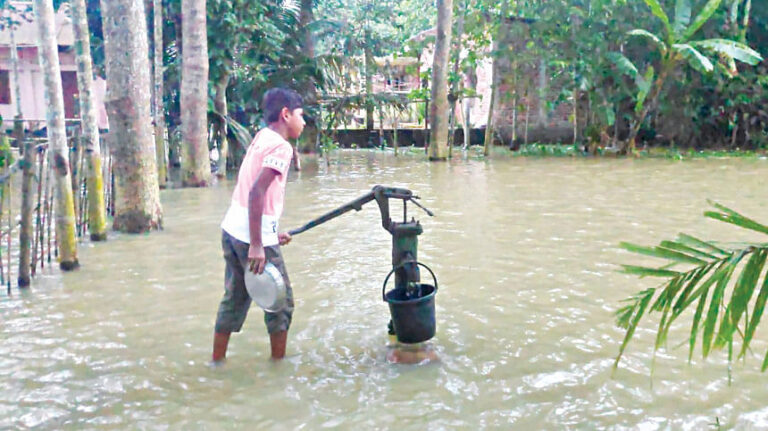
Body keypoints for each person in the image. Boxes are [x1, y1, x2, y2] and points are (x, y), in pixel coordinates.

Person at [212, 88, 305, 363]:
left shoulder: (262, 137)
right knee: (281, 303)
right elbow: (256, 192)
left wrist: (273, 234)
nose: (303, 122)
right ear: (285, 115)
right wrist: (258, 243)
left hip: (232, 231)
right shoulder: (281, 146)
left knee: (235, 297)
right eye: (300, 115)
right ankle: (278, 365)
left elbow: (253, 193)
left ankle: (217, 362)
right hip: (251, 239)